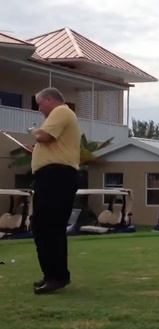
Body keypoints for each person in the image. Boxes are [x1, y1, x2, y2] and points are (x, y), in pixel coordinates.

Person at [29, 87, 81, 294]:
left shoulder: (61, 111)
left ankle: (57, 276)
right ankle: (51, 274)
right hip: (52, 176)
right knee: (43, 226)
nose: (39, 108)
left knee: (49, 226)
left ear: (50, 100)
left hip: (56, 176)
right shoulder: (62, 115)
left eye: (40, 104)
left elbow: (43, 136)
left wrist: (33, 131)